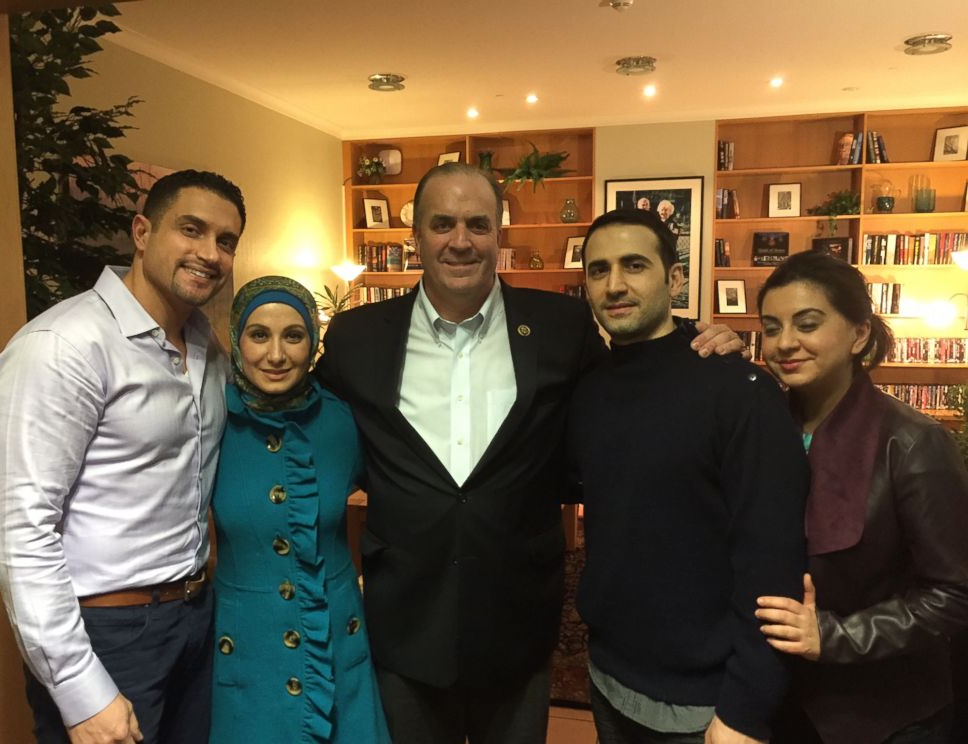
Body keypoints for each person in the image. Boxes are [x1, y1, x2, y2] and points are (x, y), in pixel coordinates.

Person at [314, 162, 746, 744]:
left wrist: (698, 338)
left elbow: (630, 380)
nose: (460, 241)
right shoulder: (354, 337)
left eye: (478, 224)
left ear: (500, 235)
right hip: (404, 621)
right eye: (442, 224)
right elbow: (306, 422)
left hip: (518, 619)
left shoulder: (562, 325)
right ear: (414, 236)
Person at [0, 169, 245, 744]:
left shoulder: (207, 347)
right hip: (105, 633)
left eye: (226, 241)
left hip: (194, 621)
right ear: (142, 232)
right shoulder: (64, 345)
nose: (210, 254)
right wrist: (81, 689)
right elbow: (19, 530)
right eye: (192, 229)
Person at [568, 208, 808, 743]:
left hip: (708, 704)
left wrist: (745, 708)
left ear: (675, 278)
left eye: (634, 265)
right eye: (598, 270)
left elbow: (771, 562)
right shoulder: (588, 391)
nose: (615, 285)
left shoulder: (740, 392)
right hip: (609, 678)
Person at [754, 251, 968, 744]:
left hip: (885, 715)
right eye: (771, 327)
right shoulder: (764, 427)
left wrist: (833, 636)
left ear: (859, 333)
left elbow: (954, 593)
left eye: (807, 324)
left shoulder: (911, 441)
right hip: (780, 698)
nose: (785, 343)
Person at [209, 276, 390, 743]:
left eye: (293, 335)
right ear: (236, 339)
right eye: (258, 335)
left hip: (334, 643)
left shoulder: (341, 420)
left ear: (312, 343)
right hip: (246, 649)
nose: (276, 355)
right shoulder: (210, 419)